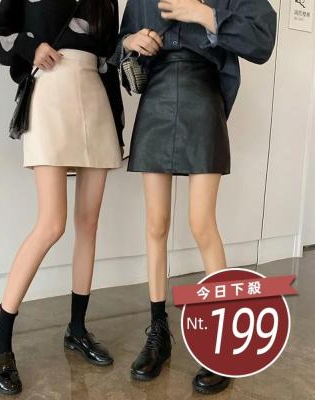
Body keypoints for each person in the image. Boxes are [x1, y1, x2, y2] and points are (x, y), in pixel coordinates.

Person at [109, 0, 277, 394]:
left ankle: (225, 340)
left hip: (203, 97)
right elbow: (119, 45)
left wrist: (206, 15)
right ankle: (158, 333)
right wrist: (131, 42)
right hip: (156, 99)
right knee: (156, 224)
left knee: (202, 224)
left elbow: (263, 40)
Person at [0, 0, 124, 395]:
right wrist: (30, 47)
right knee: (52, 224)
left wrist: (118, 122)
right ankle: (0, 337)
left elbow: (110, 55)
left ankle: (77, 329)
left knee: (89, 225)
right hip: (50, 95)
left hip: (95, 98)